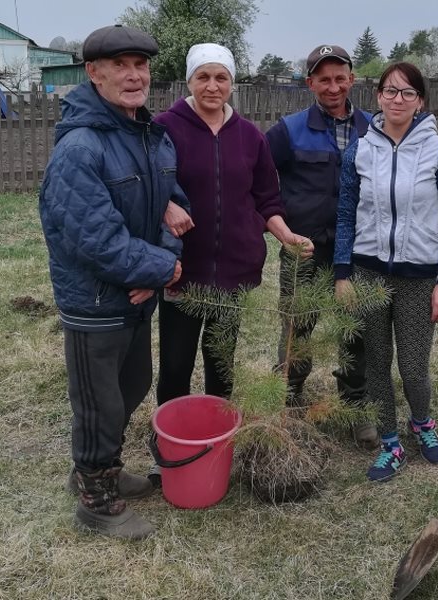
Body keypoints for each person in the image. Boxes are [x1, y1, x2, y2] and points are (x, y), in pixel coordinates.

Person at [39, 25, 187, 539]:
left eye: (140, 65)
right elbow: (94, 239)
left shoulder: (149, 136)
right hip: (97, 300)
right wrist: (160, 269)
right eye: (120, 65)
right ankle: (95, 497)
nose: (133, 75)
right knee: (99, 402)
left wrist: (162, 261)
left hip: (135, 295)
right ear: (93, 73)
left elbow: (177, 209)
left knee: (131, 386)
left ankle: (101, 467)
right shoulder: (81, 148)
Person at [149, 43, 312, 484]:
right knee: (177, 364)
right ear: (189, 82)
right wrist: (164, 207)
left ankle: (218, 442)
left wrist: (285, 235)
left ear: (233, 83)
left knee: (221, 361)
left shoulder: (249, 136)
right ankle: (168, 446)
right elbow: (147, 186)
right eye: (203, 77)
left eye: (221, 78)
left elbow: (265, 198)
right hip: (184, 270)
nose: (212, 86)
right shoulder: (164, 128)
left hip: (233, 272)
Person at [334, 62, 438, 481]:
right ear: (378, 97)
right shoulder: (359, 150)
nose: (397, 99)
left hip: (419, 276)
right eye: (390, 91)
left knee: (412, 365)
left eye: (408, 93)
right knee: (376, 363)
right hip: (369, 273)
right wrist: (342, 273)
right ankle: (390, 440)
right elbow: (345, 215)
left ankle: (422, 422)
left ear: (420, 101)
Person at [265, 44, 377, 447]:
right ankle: (290, 401)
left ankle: (355, 404)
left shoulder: (374, 128)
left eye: (340, 78)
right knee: (298, 326)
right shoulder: (287, 130)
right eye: (323, 79)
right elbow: (260, 184)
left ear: (352, 79)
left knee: (356, 328)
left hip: (358, 250)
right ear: (310, 83)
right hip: (304, 250)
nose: (333, 87)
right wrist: (281, 230)